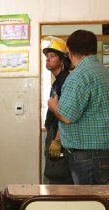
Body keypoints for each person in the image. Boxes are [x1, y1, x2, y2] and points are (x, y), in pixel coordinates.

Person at [48, 30, 109, 185]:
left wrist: (53, 106)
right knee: (102, 197)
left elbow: (67, 117)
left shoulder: (79, 76)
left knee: (89, 198)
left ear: (69, 51)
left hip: (89, 155)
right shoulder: (108, 74)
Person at [42, 37, 73, 185]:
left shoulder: (66, 81)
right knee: (52, 174)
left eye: (52, 56)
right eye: (47, 56)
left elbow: (66, 114)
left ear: (62, 61)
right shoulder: (57, 81)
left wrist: (57, 140)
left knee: (58, 176)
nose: (48, 59)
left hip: (60, 135)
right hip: (53, 131)